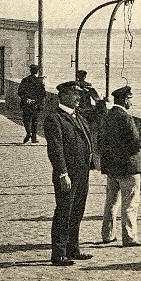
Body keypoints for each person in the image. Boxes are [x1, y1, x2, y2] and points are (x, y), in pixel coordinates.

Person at [43, 80, 94, 265]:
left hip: (82, 172)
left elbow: (98, 116)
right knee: (64, 211)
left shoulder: (78, 116)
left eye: (79, 94)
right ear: (62, 96)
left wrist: (95, 97)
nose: (78, 97)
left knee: (77, 211)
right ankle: (59, 253)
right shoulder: (55, 118)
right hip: (68, 174)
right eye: (75, 94)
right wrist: (62, 173)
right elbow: (55, 149)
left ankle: (73, 249)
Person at [98, 85, 141, 247]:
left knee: (111, 202)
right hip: (128, 167)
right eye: (130, 99)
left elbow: (102, 141)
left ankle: (108, 234)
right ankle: (129, 237)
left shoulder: (108, 116)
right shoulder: (126, 118)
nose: (131, 103)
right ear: (125, 99)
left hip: (112, 168)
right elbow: (134, 143)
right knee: (130, 203)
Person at [74, 69, 105, 168]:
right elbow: (97, 99)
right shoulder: (88, 86)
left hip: (78, 112)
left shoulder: (74, 86)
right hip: (88, 113)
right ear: (85, 76)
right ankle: (90, 160)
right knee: (91, 136)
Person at [17, 63, 46, 143]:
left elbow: (20, 92)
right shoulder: (39, 82)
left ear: (30, 71)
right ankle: (34, 138)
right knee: (35, 121)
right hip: (36, 104)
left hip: (26, 104)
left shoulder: (25, 80)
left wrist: (27, 99)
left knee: (26, 119)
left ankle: (28, 133)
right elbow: (43, 94)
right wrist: (35, 101)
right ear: (37, 72)